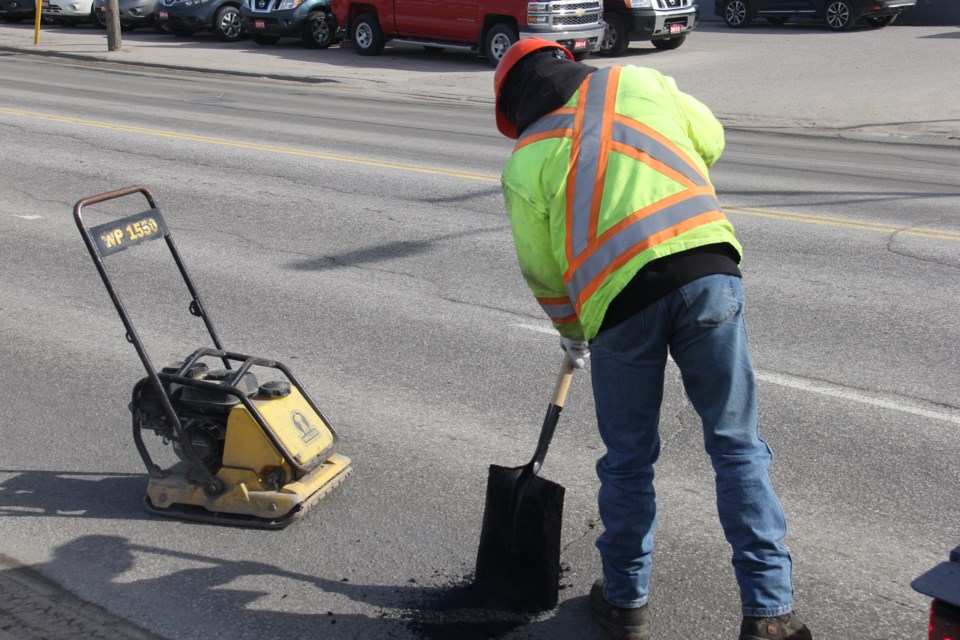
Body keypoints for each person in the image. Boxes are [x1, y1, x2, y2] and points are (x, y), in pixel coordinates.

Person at [493, 38, 811, 640]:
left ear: (516, 104)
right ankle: (770, 615)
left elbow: (542, 270)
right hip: (707, 271)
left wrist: (572, 334)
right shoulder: (641, 81)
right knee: (737, 446)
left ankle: (625, 601)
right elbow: (710, 139)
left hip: (619, 306)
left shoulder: (527, 158)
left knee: (630, 461)